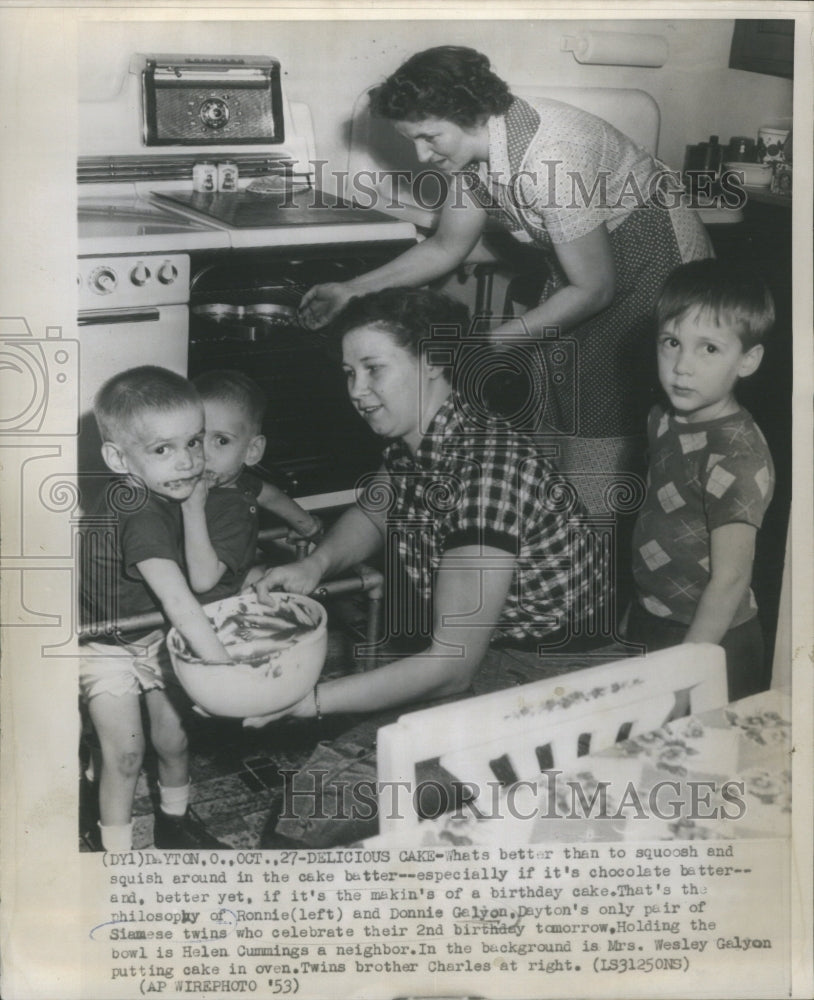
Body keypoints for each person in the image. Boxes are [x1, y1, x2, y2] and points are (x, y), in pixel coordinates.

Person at [298, 45, 714, 513]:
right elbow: (445, 247)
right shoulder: (472, 155)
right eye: (413, 138)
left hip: (654, 255)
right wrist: (353, 288)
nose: (421, 153)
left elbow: (594, 288)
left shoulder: (549, 156)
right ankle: (561, 527)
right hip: (590, 265)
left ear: (469, 115)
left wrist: (489, 346)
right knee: (560, 391)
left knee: (608, 405)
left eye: (429, 137)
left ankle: (599, 539)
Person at [252, 287, 607, 724]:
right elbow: (375, 512)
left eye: (374, 370)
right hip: (489, 648)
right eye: (349, 373)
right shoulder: (425, 431)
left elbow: (450, 666)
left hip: (552, 669)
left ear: (434, 360)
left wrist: (311, 701)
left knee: (342, 785)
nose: (357, 392)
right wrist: (315, 565)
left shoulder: (482, 475)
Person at [79, 366, 229, 851]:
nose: (187, 462)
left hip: (149, 633)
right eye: (162, 449)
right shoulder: (139, 511)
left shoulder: (157, 490)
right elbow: (179, 599)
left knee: (174, 740)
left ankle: (174, 822)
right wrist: (224, 670)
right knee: (124, 756)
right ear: (117, 458)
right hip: (106, 645)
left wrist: (194, 508)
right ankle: (113, 858)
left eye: (195, 441)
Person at [629, 260, 775, 702]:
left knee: (703, 765)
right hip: (655, 618)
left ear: (747, 360)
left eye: (708, 349)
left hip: (715, 640)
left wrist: (686, 674)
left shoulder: (736, 454)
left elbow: (730, 579)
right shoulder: (663, 418)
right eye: (672, 342)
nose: (681, 367)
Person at [182, 370, 322, 603]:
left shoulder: (236, 505)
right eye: (194, 441)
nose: (203, 454)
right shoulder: (184, 484)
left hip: (216, 599)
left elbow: (270, 496)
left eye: (221, 441)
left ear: (252, 451)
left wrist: (309, 527)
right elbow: (269, 495)